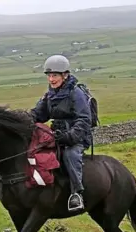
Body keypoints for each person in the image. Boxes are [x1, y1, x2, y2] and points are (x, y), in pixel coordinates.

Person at [30, 54, 92, 212]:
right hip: (56, 135)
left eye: (55, 75)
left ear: (65, 75)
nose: (51, 79)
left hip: (76, 138)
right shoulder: (50, 94)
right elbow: (39, 114)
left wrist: (70, 137)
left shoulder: (76, 93)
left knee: (69, 155)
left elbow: (84, 119)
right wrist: (23, 119)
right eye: (49, 76)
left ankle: (76, 194)